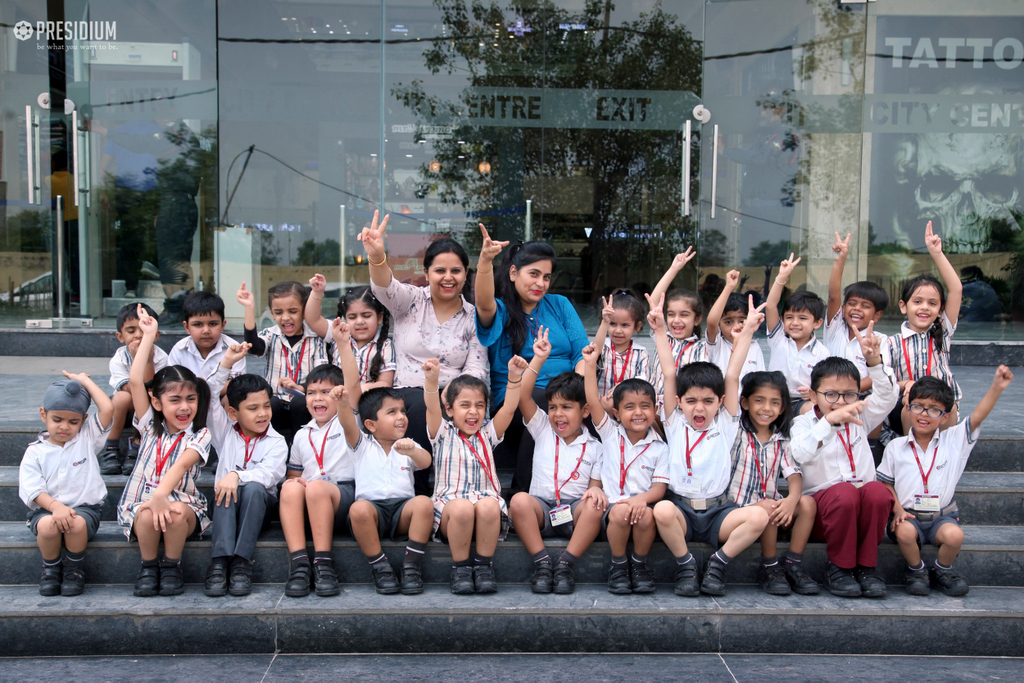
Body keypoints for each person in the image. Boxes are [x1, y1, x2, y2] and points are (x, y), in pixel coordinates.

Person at [358, 211, 488, 494]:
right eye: (440, 270)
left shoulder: (472, 317)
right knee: (416, 406)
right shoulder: (410, 301)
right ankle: (416, 495)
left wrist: (452, 390)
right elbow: (384, 287)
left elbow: (477, 367)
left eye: (456, 270)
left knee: (455, 407)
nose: (448, 277)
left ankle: (451, 492)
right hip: (411, 393)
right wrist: (377, 256)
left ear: (466, 274)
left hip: (453, 395)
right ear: (427, 273)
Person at [651, 294, 770, 597]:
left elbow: (731, 374)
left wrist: (748, 333)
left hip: (719, 513)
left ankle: (718, 563)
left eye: (707, 401)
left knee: (758, 516)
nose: (699, 409)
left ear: (720, 402)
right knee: (661, 510)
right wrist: (660, 330)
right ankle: (686, 565)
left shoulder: (727, 423)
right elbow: (668, 371)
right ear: (679, 403)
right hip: (682, 510)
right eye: (691, 401)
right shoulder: (674, 421)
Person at [473, 225, 588, 494]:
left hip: (563, 393)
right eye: (533, 274)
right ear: (513, 273)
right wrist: (485, 261)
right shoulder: (499, 310)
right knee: (540, 400)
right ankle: (520, 493)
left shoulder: (559, 305)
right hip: (513, 399)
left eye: (546, 277)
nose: (541, 284)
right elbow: (483, 302)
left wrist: (578, 390)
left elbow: (581, 354)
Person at [879, 369, 1013, 597]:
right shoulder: (896, 447)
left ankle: (943, 569)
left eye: (933, 410)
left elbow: (978, 416)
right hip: (908, 515)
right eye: (918, 406)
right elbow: (886, 483)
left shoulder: (955, 440)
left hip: (942, 516)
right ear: (908, 408)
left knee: (955, 536)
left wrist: (997, 387)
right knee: (903, 533)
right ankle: (917, 570)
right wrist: (897, 508)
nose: (924, 414)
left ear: (944, 416)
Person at [790, 322, 898, 598]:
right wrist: (828, 423)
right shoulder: (803, 423)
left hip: (860, 507)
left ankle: (867, 567)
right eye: (830, 395)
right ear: (813, 395)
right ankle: (839, 567)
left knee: (876, 491)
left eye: (848, 394)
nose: (840, 402)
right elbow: (800, 453)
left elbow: (888, 395)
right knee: (844, 493)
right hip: (825, 511)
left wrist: (874, 361)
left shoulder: (861, 415)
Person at [117, 305, 213, 597]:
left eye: (190, 399)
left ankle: (171, 566)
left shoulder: (200, 433)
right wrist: (148, 336)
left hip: (183, 506)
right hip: (142, 504)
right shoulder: (149, 426)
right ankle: (149, 566)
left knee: (172, 512)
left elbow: (182, 465)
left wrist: (161, 495)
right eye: (175, 400)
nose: (184, 407)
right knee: (147, 516)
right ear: (157, 403)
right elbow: (135, 381)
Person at [334, 319, 434, 595]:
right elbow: (346, 421)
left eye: (402, 412)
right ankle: (380, 566)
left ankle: (411, 565)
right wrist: (343, 403)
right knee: (358, 509)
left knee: (425, 503)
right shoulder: (361, 444)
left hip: (403, 510)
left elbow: (426, 463)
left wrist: (412, 449)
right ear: (371, 425)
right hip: (373, 512)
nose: (401, 417)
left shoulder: (407, 444)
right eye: (392, 413)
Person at [509, 328, 603, 595]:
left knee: (594, 505)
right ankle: (542, 563)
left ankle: (565, 564)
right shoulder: (542, 428)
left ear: (585, 411)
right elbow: (525, 396)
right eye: (553, 407)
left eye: (566, 407)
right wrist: (538, 358)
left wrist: (596, 490)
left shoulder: (595, 448)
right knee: (518, 501)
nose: (558, 415)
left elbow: (594, 487)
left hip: (573, 513)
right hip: (542, 511)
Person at [425, 356, 526, 595]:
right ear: (449, 409)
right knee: (461, 508)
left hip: (484, 509)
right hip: (450, 510)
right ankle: (460, 568)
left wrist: (513, 377)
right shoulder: (441, 432)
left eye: (480, 405)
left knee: (490, 505)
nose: (473, 412)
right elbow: (431, 406)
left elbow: (510, 408)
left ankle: (483, 566)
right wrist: (431, 379)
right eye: (465, 405)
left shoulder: (487, 435)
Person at [583, 338, 668, 595]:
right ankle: (619, 565)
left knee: (646, 515)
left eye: (645, 406)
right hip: (613, 507)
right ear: (617, 413)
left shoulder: (660, 447)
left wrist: (639, 501)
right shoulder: (609, 433)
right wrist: (589, 366)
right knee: (620, 513)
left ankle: (639, 565)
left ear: (655, 410)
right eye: (629, 407)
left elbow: (659, 489)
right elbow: (593, 400)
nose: (638, 412)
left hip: (644, 504)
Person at [202, 352, 288, 598]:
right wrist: (226, 363)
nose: (262, 414)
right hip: (224, 505)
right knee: (225, 490)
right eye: (253, 408)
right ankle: (219, 563)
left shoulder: (277, 442)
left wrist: (236, 476)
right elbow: (208, 394)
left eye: (266, 406)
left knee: (251, 488)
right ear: (232, 413)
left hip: (260, 506)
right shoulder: (223, 431)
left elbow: (269, 476)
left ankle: (240, 562)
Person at [20, 374, 113, 596]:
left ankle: (74, 569)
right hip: (46, 511)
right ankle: (51, 569)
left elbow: (108, 408)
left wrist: (85, 382)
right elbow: (32, 489)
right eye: (57, 419)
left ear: (83, 420)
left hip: (84, 511)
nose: (65, 427)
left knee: (76, 524)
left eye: (73, 422)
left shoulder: (87, 438)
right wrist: (56, 507)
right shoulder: (35, 451)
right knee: (47, 526)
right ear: (44, 414)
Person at [729, 371, 819, 596]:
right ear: (745, 402)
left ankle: (792, 563)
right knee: (770, 505)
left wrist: (791, 499)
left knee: (807, 504)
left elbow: (794, 476)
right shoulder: (735, 433)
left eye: (774, 402)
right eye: (759, 400)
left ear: (782, 408)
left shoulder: (782, 439)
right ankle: (769, 566)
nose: (766, 408)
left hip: (770, 509)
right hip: (738, 508)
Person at [883, 221, 964, 435]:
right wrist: (905, 384)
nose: (924, 308)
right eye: (917, 301)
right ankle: (913, 457)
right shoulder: (891, 343)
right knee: (912, 402)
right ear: (903, 306)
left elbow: (956, 290)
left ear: (940, 311)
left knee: (950, 407)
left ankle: (939, 459)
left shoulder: (942, 333)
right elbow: (885, 381)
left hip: (940, 405)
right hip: (906, 407)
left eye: (932, 303)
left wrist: (936, 254)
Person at [281, 364, 354, 598]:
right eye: (311, 393)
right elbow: (295, 474)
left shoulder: (349, 422)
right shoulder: (303, 434)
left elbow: (351, 394)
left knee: (318, 487)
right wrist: (299, 482)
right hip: (313, 496)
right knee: (290, 487)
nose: (317, 398)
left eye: (326, 392)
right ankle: (300, 564)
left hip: (344, 496)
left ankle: (323, 564)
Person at [238, 280, 328, 444]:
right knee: (270, 403)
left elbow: (321, 376)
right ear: (272, 313)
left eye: (293, 311)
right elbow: (255, 347)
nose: (285, 318)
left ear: (304, 311)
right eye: (278, 312)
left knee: (300, 402)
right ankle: (273, 450)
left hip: (303, 402)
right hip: (275, 401)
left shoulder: (316, 339)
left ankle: (298, 451)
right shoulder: (271, 335)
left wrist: (301, 388)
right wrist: (249, 309)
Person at [101, 303, 169, 475]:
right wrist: (135, 358)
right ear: (120, 336)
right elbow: (132, 389)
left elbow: (151, 390)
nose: (138, 335)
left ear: (156, 334)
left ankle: (138, 446)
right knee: (121, 397)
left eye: (144, 329)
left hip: (151, 410)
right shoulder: (119, 358)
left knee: (152, 398)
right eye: (131, 331)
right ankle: (110, 448)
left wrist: (146, 360)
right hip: (124, 411)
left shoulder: (161, 358)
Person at [306, 275, 396, 391]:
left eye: (366, 316)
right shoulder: (338, 335)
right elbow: (313, 319)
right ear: (345, 319)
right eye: (352, 317)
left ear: (379, 318)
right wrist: (317, 293)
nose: (359, 322)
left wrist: (356, 391)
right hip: (337, 403)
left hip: (368, 403)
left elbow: (385, 383)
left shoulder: (386, 346)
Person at [765, 253, 829, 413]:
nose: (794, 322)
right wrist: (782, 277)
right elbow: (771, 306)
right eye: (789, 317)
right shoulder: (778, 338)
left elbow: (825, 384)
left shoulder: (822, 352)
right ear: (782, 319)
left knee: (813, 410)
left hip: (802, 402)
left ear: (817, 323)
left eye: (802, 318)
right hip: (774, 400)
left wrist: (813, 392)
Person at [825, 232, 889, 392]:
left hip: (861, 397)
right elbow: (833, 297)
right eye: (852, 303)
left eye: (865, 306)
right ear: (844, 308)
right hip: (828, 396)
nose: (857, 309)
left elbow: (878, 375)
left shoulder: (881, 341)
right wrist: (840, 261)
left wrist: (848, 391)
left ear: (877, 315)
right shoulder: (835, 329)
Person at [648, 248, 708, 408]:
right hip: (654, 409)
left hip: (683, 412)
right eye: (671, 314)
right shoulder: (662, 337)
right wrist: (674, 269)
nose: (676, 320)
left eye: (684, 314)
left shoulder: (703, 348)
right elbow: (653, 305)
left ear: (697, 319)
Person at [167, 291, 247, 388]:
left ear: (223, 325)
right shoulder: (179, 350)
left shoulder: (234, 349)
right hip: (188, 398)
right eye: (198, 325)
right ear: (187, 327)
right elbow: (171, 383)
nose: (206, 331)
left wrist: (204, 389)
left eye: (213, 324)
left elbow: (236, 385)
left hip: (222, 399)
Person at [705, 269, 766, 384]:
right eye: (728, 322)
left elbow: (760, 381)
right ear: (720, 323)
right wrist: (729, 287)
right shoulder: (717, 344)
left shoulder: (754, 346)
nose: (736, 326)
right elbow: (712, 322)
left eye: (742, 320)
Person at [592, 290, 653, 399]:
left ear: (637, 327)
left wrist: (622, 387)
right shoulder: (603, 346)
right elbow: (594, 352)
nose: (618, 330)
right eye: (612, 324)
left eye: (625, 325)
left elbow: (643, 380)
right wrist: (605, 322)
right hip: (600, 407)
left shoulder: (641, 353)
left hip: (628, 408)